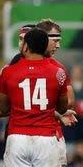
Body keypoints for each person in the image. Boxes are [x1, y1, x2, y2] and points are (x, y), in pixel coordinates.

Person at [0, 28, 68, 167]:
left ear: (26, 46)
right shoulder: (58, 73)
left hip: (17, 138)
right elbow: (62, 107)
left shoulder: (8, 72)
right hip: (46, 138)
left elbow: (3, 107)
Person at [37, 19, 77, 166]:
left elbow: (70, 103)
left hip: (51, 134)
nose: (58, 46)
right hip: (33, 136)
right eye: (55, 40)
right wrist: (59, 112)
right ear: (42, 38)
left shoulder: (58, 68)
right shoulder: (18, 66)